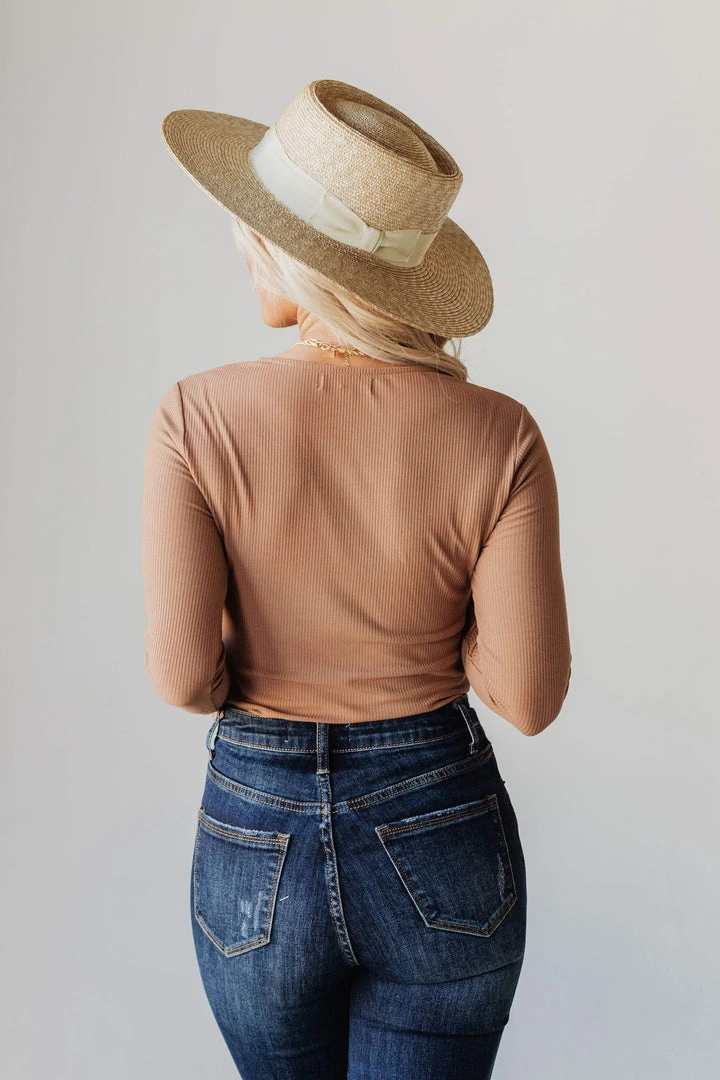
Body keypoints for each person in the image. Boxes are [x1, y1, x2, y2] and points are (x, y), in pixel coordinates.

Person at [142, 78, 572, 1080]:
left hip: (256, 833)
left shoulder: (194, 416)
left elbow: (183, 678)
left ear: (289, 251)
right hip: (439, 824)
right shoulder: (500, 432)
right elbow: (527, 697)